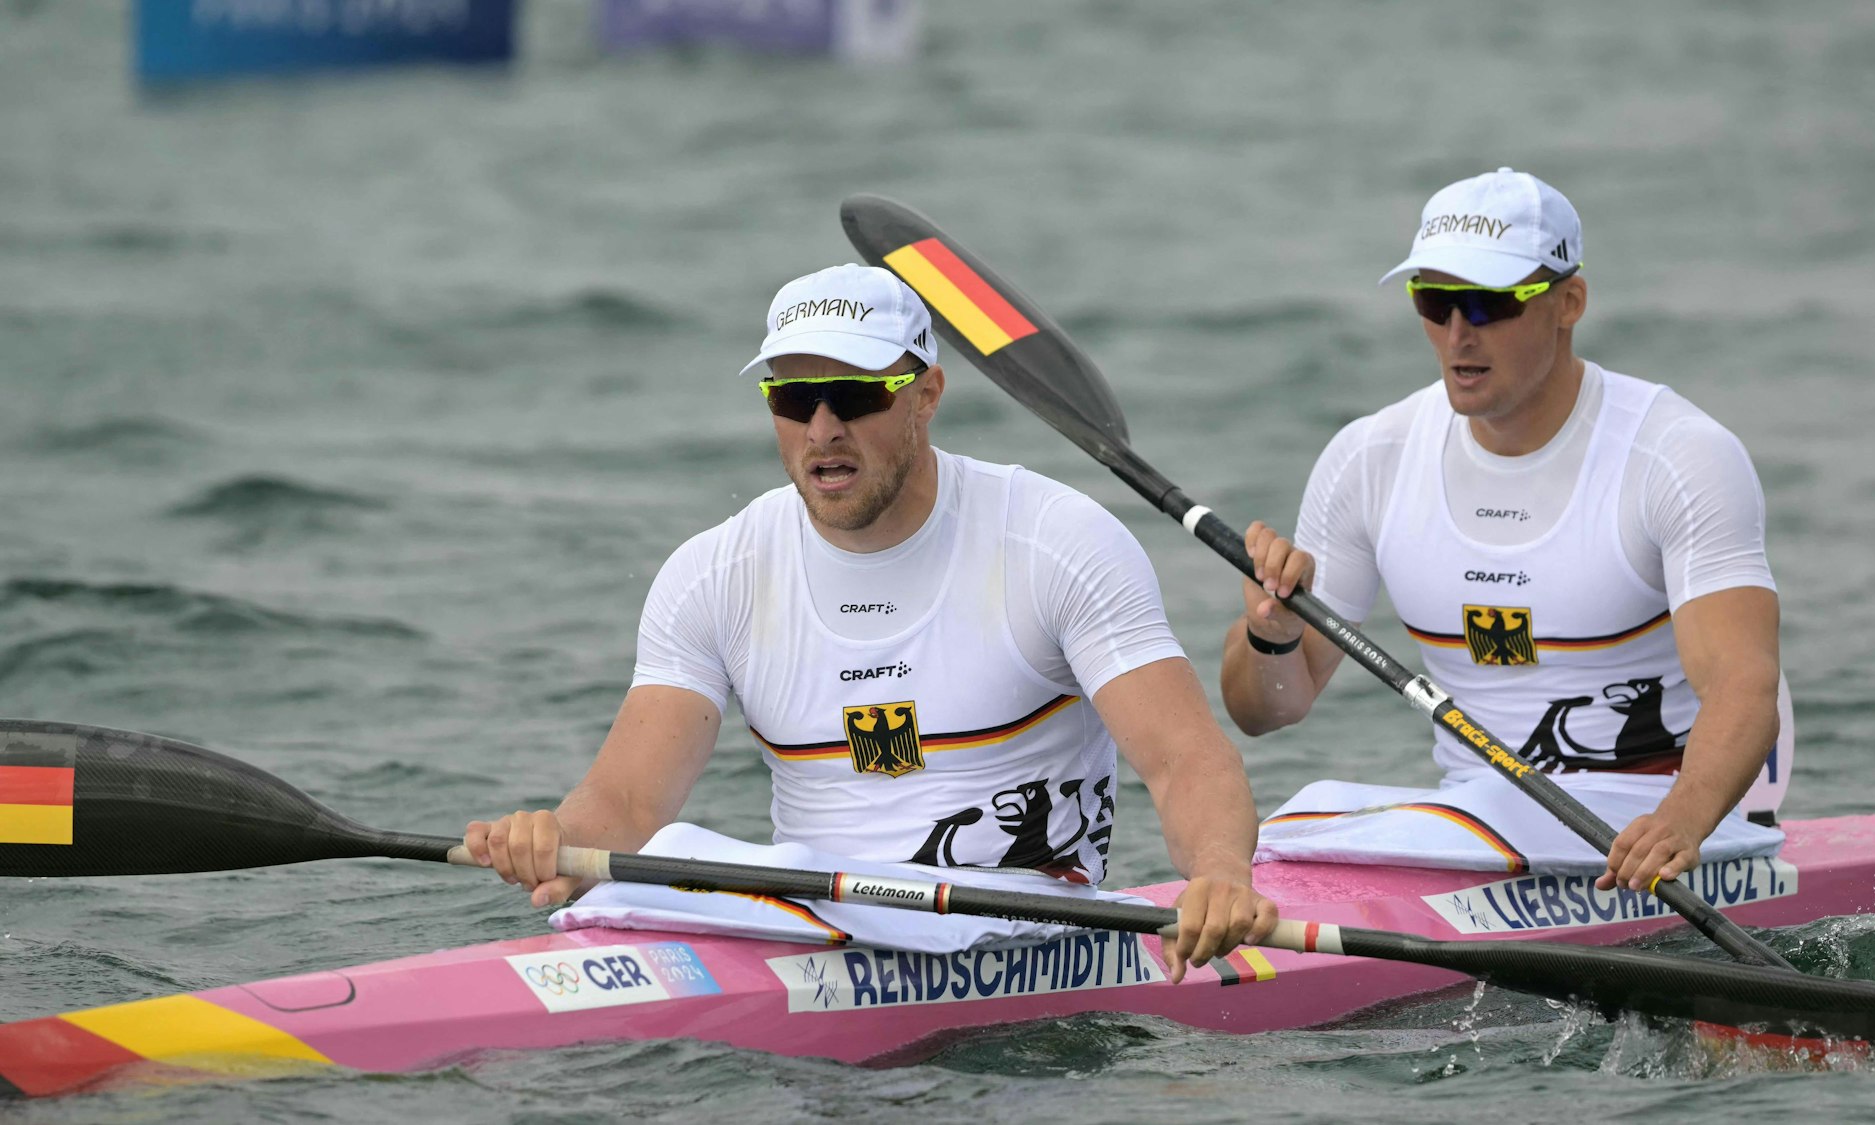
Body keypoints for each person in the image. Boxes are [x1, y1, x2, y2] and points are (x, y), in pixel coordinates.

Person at [465, 263, 1276, 980]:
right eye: (792, 397)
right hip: (801, 917)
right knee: (656, 863)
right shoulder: (715, 572)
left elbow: (1185, 762)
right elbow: (630, 800)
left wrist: (1218, 874)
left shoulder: (1054, 542)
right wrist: (558, 838)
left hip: (1020, 923)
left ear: (927, 394)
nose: (822, 429)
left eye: (853, 395)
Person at [1221, 168, 1788, 893]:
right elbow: (1269, 710)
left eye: (1488, 303)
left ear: (1568, 303)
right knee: (1281, 828)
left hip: (1650, 826)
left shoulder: (1676, 455)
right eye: (1435, 301)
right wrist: (1272, 634)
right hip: (1474, 821)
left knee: (1316, 830)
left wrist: (1681, 822)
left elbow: (1744, 685)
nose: (1458, 334)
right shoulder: (1370, 457)